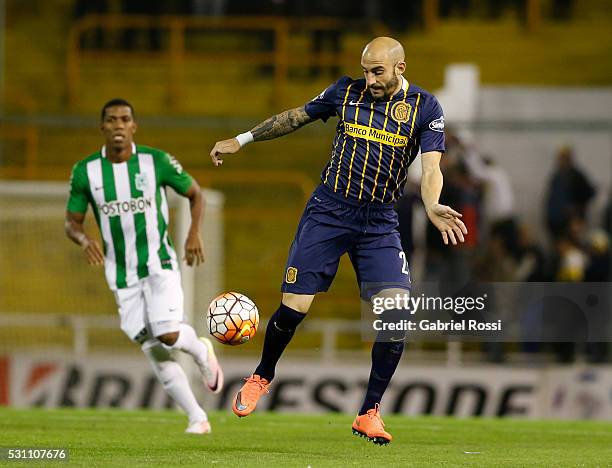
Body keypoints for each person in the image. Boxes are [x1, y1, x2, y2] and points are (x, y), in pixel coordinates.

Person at [210, 37, 467, 445]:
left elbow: (431, 167)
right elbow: (295, 116)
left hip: (379, 221)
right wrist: (241, 140)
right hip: (329, 212)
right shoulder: (345, 91)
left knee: (397, 315)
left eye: (377, 71)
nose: (369, 79)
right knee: (294, 309)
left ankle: (368, 412)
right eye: (365, 70)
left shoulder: (425, 108)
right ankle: (262, 375)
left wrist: (433, 203)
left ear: (400, 68)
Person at [65, 99, 223, 434]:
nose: (118, 125)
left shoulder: (156, 161)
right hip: (121, 276)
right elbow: (72, 222)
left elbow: (196, 194)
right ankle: (197, 418)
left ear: (134, 126)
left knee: (166, 334)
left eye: (125, 119)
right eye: (111, 120)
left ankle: (199, 349)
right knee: (154, 349)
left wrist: (194, 233)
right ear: (102, 127)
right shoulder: (86, 171)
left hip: (159, 264)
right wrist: (83, 240)